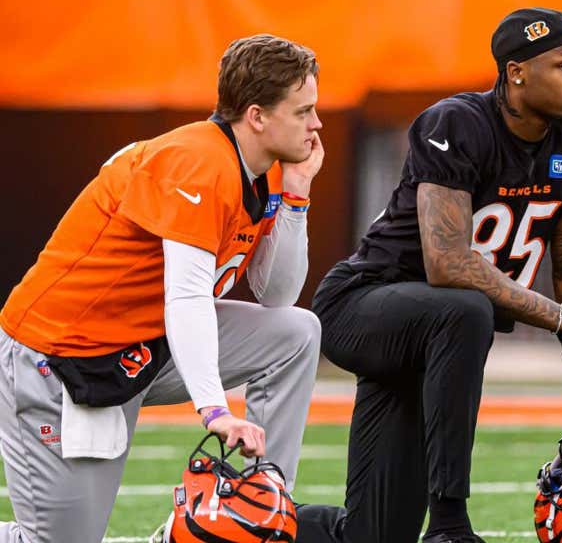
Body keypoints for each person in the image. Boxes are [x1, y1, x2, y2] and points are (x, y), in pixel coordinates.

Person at [296, 8, 562, 543]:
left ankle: (239, 523)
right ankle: (449, 525)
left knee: (373, 535)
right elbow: (447, 264)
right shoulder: (458, 124)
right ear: (517, 73)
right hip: (362, 306)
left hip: (433, 334)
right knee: (468, 307)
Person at [0, 34, 325, 542]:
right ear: (258, 116)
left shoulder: (260, 170)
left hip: (143, 342)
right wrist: (215, 411)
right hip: (65, 359)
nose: (316, 124)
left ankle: (262, 502)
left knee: (295, 333)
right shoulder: (197, 161)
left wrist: (298, 194)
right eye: (303, 111)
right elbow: (188, 297)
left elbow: (277, 296)